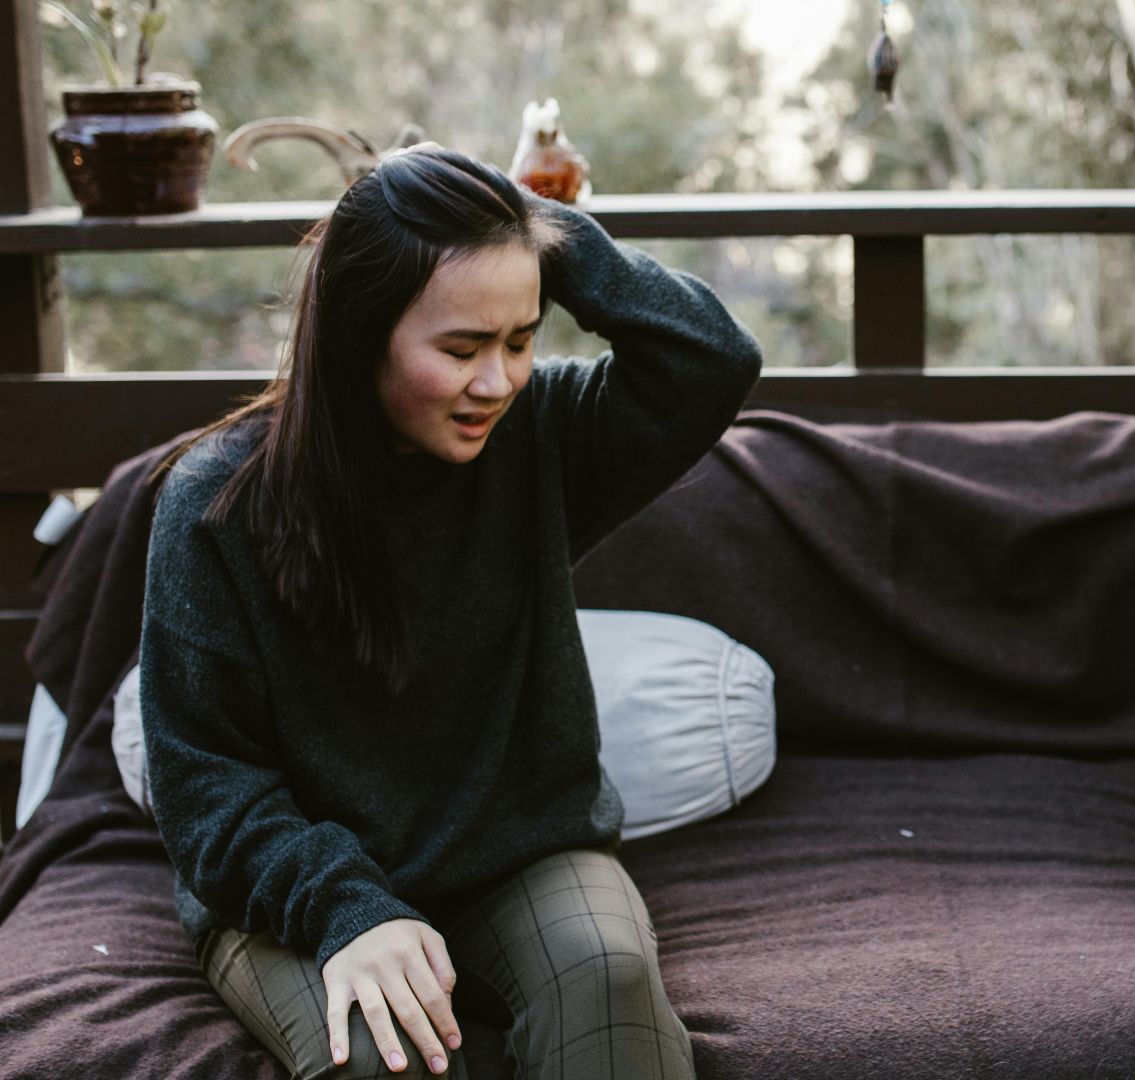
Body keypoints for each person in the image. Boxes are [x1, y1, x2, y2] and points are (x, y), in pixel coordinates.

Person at [142, 145, 762, 1079]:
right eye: (462, 349)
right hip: (293, 886)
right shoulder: (216, 504)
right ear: (360, 334)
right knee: (380, 1060)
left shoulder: (540, 436)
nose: (498, 382)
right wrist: (349, 908)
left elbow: (711, 360)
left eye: (520, 340)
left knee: (608, 985)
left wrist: (519, 225)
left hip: (519, 855)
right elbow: (203, 783)